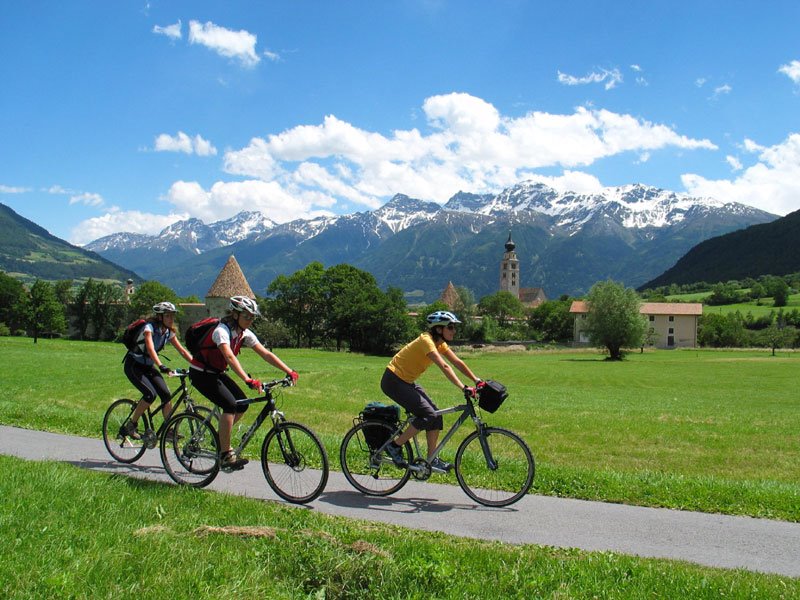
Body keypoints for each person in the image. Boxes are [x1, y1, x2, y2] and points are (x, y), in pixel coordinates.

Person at [188, 296, 298, 471]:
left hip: (216, 373)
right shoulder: (221, 331)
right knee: (230, 405)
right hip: (201, 373)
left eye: (252, 317)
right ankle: (225, 455)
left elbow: (265, 354)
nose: (250, 320)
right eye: (247, 316)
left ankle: (220, 437)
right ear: (235, 314)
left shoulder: (243, 333)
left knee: (242, 404)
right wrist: (247, 379)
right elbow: (229, 356)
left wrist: (289, 371)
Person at [380, 310, 482, 473]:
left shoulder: (439, 343)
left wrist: (476, 380)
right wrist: (463, 387)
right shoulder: (426, 341)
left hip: (406, 381)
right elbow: (445, 366)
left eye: (454, 327)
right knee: (428, 415)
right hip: (393, 381)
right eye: (450, 327)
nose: (454, 331)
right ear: (439, 329)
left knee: (436, 415)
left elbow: (456, 361)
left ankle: (431, 459)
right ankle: (394, 446)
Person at [121, 302, 194, 440]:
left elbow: (183, 351)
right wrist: (161, 365)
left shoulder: (168, 332)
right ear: (160, 317)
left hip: (148, 366)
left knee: (166, 395)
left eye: (172, 316)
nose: (171, 319)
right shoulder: (149, 328)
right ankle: (132, 424)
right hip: (134, 365)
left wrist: (198, 365)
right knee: (150, 395)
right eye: (167, 316)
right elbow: (150, 347)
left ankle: (168, 430)